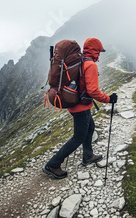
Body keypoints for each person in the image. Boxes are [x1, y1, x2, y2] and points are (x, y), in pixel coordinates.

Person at [43, 38, 118, 179]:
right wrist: (109, 99)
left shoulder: (81, 60)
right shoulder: (90, 65)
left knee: (90, 128)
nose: (99, 55)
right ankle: (53, 164)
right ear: (95, 51)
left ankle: (88, 156)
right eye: (99, 51)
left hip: (76, 103)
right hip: (80, 107)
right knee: (78, 137)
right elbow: (93, 91)